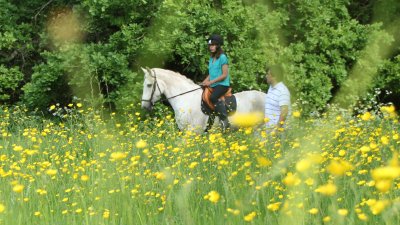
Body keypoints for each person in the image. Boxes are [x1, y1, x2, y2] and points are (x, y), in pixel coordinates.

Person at [202, 34, 231, 130]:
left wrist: (210, 82)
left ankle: (225, 120)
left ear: (218, 45)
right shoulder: (211, 58)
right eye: (210, 45)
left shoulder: (223, 57)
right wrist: (205, 81)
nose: (211, 47)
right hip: (214, 84)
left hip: (222, 84)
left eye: (213, 45)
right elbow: (212, 73)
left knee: (213, 97)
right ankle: (211, 120)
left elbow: (224, 75)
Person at [264, 65, 291, 131]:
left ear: (274, 77)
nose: (266, 76)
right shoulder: (271, 88)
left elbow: (284, 112)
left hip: (279, 132)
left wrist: (277, 130)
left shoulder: (282, 91)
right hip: (270, 130)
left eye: (268, 74)